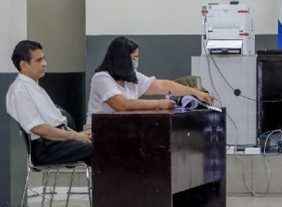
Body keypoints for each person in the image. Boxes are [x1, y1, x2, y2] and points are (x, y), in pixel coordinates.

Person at [87, 36, 215, 125]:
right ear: (122, 59)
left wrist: (196, 93)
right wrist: (159, 103)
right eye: (134, 58)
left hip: (124, 127)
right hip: (100, 130)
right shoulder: (102, 78)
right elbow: (122, 105)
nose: (136, 61)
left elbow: (162, 85)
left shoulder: (131, 77)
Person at [5, 40, 92, 165]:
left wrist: (79, 135)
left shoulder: (35, 87)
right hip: (46, 148)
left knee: (101, 141)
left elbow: (57, 122)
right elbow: (39, 128)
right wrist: (76, 137)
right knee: (100, 150)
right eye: (39, 60)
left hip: (58, 142)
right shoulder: (19, 91)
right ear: (24, 65)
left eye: (44, 59)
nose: (45, 64)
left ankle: (104, 185)